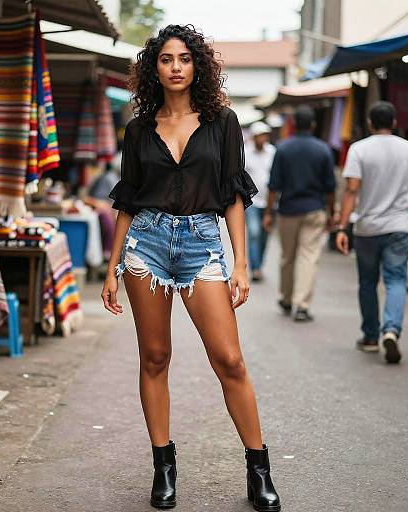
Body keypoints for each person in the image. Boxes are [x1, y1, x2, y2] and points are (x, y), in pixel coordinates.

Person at [102, 25, 281, 512]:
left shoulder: (223, 122)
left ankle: (258, 468)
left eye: (185, 58)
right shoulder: (138, 128)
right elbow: (128, 200)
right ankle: (163, 466)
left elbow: (234, 196)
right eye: (166, 59)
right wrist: (112, 265)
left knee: (230, 360)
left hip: (203, 245)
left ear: (197, 66)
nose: (176, 66)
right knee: (155, 357)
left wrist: (241, 263)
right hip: (147, 246)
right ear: (153, 68)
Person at [336, 101, 408, 363]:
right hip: (400, 226)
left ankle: (371, 337)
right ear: (395, 123)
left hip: (367, 228)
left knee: (368, 283)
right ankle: (391, 330)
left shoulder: (359, 150)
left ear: (370, 123)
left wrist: (342, 226)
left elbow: (351, 189)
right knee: (396, 280)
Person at [263, 105, 335, 322]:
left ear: (293, 124)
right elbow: (330, 186)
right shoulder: (323, 149)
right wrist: (331, 212)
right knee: (309, 257)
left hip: (288, 210)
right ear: (313, 124)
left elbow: (273, 185)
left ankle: (286, 298)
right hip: (314, 209)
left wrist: (268, 212)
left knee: (287, 257)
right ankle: (302, 305)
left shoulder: (283, 149)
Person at [244, 121, 276, 282]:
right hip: (252, 201)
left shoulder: (272, 152)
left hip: (269, 201)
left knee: (265, 235)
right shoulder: (246, 153)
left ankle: (259, 264)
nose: (262, 139)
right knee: (254, 233)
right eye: (259, 136)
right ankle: (255, 268)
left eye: (264, 135)